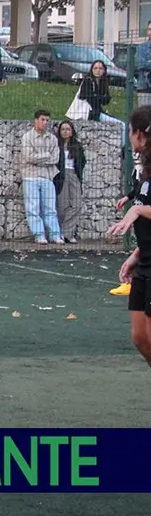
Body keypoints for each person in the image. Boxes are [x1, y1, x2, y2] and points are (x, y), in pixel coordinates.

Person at [106, 105, 151, 371]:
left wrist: (135, 210)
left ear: (139, 134)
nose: (130, 138)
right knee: (140, 339)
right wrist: (136, 254)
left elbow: (141, 209)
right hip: (145, 261)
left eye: (131, 132)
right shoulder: (144, 170)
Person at [21, 109, 65, 244]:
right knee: (32, 208)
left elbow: (55, 159)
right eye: (42, 120)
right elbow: (29, 157)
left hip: (47, 176)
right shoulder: (27, 137)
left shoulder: (52, 138)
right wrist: (46, 156)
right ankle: (39, 235)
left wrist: (39, 158)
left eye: (47, 120)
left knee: (50, 208)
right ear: (36, 120)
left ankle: (55, 234)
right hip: (30, 176)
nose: (45, 123)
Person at [54, 119, 86, 244]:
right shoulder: (56, 145)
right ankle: (63, 234)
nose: (65, 132)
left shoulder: (77, 146)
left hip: (73, 174)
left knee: (77, 205)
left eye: (68, 129)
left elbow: (82, 161)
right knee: (62, 207)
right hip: (61, 176)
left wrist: (78, 173)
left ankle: (66, 233)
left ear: (72, 131)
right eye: (63, 129)